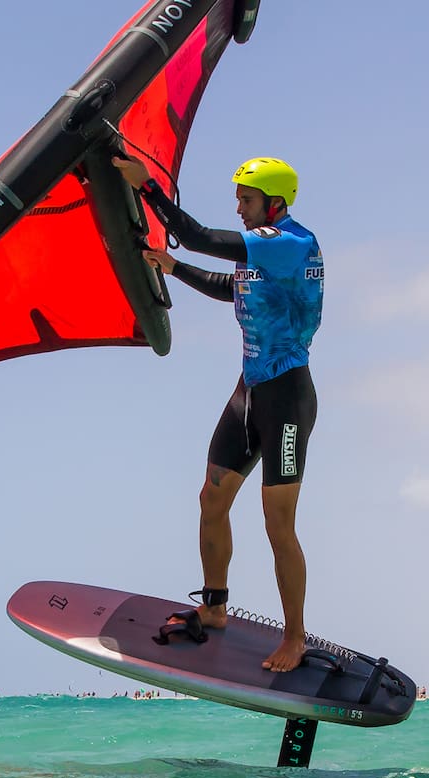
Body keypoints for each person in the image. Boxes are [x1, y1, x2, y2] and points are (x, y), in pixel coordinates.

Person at [113, 153, 325, 671]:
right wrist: (174, 268)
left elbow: (205, 237)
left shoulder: (291, 242)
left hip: (287, 399)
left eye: (246, 199)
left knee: (277, 523)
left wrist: (149, 191)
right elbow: (231, 287)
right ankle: (214, 608)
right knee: (212, 499)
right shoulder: (262, 256)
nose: (239, 207)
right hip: (249, 391)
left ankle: (294, 636)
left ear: (274, 203)